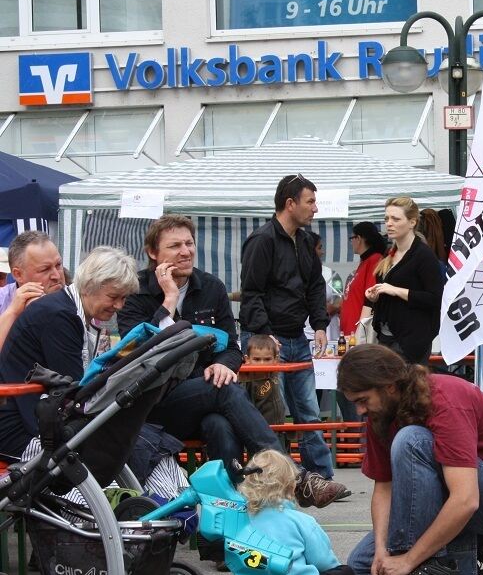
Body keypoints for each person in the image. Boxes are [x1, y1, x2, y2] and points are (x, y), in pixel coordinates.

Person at [119, 213, 348, 505]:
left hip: (205, 397)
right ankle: (296, 478)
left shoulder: (211, 287)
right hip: (154, 406)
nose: (186, 251)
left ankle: (225, 526)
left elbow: (232, 346)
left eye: (189, 243)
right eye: (174, 246)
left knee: (221, 427)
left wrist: (224, 365)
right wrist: (168, 301)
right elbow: (138, 353)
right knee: (225, 391)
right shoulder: (136, 291)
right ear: (153, 253)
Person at [338, 345, 483, 575]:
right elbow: (384, 488)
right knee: (363, 568)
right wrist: (381, 551)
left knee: (412, 440)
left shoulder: (444, 399)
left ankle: (436, 565)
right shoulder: (381, 413)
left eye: (363, 401)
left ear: (388, 386)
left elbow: (466, 499)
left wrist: (407, 560)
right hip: (458, 494)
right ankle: (481, 546)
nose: (360, 410)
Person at [0, 247, 137, 461]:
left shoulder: (68, 311)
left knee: (141, 443)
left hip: (38, 421)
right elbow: (76, 391)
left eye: (124, 298)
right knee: (117, 449)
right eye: (113, 297)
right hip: (20, 431)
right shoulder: (60, 316)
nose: (119, 305)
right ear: (89, 286)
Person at [240, 175, 334, 480]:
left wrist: (320, 324)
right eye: (310, 201)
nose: (315, 209)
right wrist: (265, 335)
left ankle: (320, 477)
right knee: (272, 412)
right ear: (290, 203)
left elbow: (316, 286)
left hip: (296, 336)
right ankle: (276, 475)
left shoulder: (306, 241)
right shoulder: (262, 240)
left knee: (308, 410)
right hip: (268, 343)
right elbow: (251, 292)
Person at [239, 450, 359, 575]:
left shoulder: (243, 521)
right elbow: (323, 561)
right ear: (292, 485)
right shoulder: (299, 520)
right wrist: (335, 571)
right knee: (346, 574)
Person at [362, 197, 443, 366]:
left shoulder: (424, 255)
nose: (389, 224)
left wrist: (395, 290)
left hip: (410, 342)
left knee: (404, 390)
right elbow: (389, 296)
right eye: (386, 219)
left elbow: (435, 299)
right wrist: (376, 296)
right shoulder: (389, 254)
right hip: (386, 337)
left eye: (395, 219)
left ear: (412, 222)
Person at [0, 230, 66, 350]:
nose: (56, 276)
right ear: (18, 274)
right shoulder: (2, 299)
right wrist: (13, 311)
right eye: (45, 269)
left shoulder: (76, 299)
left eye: (58, 265)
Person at [341, 221, 387, 338]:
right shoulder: (365, 262)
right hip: (350, 331)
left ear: (359, 238)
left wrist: (360, 332)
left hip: (358, 334)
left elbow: (370, 298)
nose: (351, 242)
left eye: (352, 238)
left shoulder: (374, 260)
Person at [241, 334, 286, 426]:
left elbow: (276, 354)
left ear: (275, 360)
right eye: (257, 359)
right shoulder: (247, 381)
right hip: (260, 430)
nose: (262, 363)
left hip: (278, 426)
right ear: (247, 359)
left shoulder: (273, 372)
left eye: (267, 359)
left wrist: (275, 346)